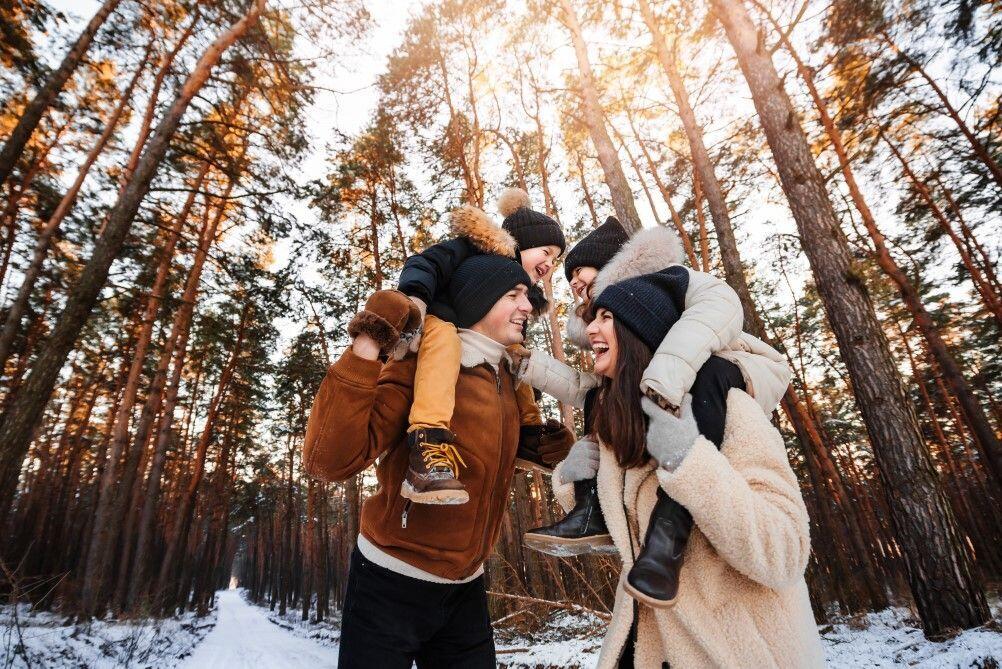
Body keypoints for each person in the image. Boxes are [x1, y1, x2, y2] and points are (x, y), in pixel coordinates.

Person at [303, 254, 573, 668]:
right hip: (390, 580)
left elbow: (481, 459)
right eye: (513, 295)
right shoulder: (421, 366)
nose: (528, 305)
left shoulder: (506, 375)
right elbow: (330, 460)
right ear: (478, 300)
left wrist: (538, 448)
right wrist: (368, 344)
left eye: (527, 295)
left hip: (466, 586)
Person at [548, 273, 825, 668]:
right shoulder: (618, 432)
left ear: (640, 331)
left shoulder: (733, 411)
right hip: (647, 645)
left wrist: (691, 462)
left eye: (606, 317)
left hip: (736, 653)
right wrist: (572, 482)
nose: (590, 328)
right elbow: (622, 535)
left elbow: (786, 552)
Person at [521, 223, 791, 608]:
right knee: (602, 393)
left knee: (705, 377)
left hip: (727, 368)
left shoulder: (675, 283)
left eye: (580, 276)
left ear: (611, 263)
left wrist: (665, 376)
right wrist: (529, 366)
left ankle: (670, 530)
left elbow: (719, 308)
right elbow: (588, 388)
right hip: (657, 383)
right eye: (573, 286)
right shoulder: (622, 381)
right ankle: (590, 506)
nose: (575, 286)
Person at [394, 188, 567, 504]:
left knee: (519, 354)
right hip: (444, 320)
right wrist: (415, 300)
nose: (550, 263)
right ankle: (427, 440)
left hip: (487, 340)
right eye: (546, 251)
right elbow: (427, 262)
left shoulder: (524, 295)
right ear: (523, 243)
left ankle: (529, 434)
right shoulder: (476, 249)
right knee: (443, 341)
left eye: (556, 260)